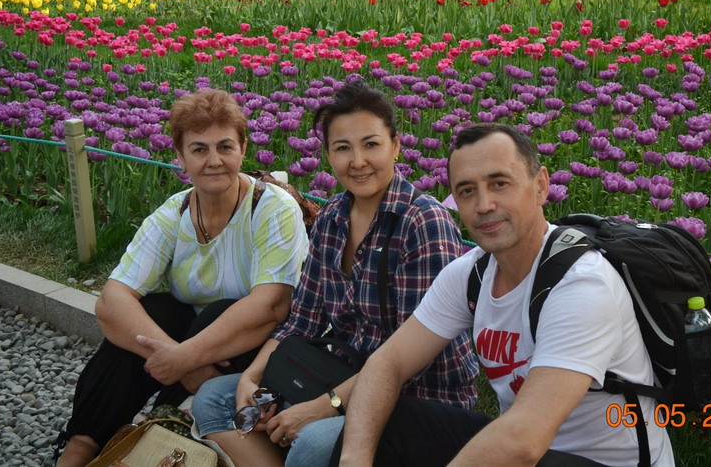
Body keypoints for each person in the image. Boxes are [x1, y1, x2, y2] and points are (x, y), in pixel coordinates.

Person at [332, 123, 675, 467]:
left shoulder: (582, 286)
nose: (484, 205)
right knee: (391, 422)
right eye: (467, 191)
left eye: (499, 183)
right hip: (530, 446)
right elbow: (387, 363)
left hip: (604, 461)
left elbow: (523, 442)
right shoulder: (472, 273)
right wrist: (354, 459)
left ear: (541, 186)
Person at [191, 81, 478, 467]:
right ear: (328, 154)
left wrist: (323, 407)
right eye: (343, 148)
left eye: (371, 144)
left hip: (416, 397)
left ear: (395, 145)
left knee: (312, 443)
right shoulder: (332, 218)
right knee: (214, 399)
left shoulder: (422, 222)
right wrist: (252, 377)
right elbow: (302, 321)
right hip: (339, 374)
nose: (358, 161)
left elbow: (410, 359)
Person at [54, 89, 310, 466]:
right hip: (193, 352)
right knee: (156, 312)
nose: (214, 160)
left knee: (220, 310)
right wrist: (181, 359)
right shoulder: (173, 214)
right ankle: (81, 445)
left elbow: (271, 306)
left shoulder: (273, 208)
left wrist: (184, 358)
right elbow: (111, 302)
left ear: (243, 149)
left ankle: (168, 428)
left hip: (267, 351)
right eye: (199, 149)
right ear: (180, 156)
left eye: (225, 147)